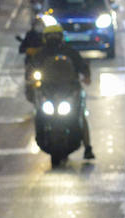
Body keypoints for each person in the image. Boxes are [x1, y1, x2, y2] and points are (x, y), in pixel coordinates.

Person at [32, 24, 96, 160]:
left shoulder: (70, 52)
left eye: (56, 36)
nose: (53, 39)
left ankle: (88, 147)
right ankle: (41, 134)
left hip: (69, 90)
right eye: (50, 36)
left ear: (61, 37)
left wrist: (86, 75)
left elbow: (82, 65)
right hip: (48, 90)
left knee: (80, 114)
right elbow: (32, 68)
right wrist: (31, 77)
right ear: (45, 38)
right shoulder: (41, 54)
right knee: (38, 113)